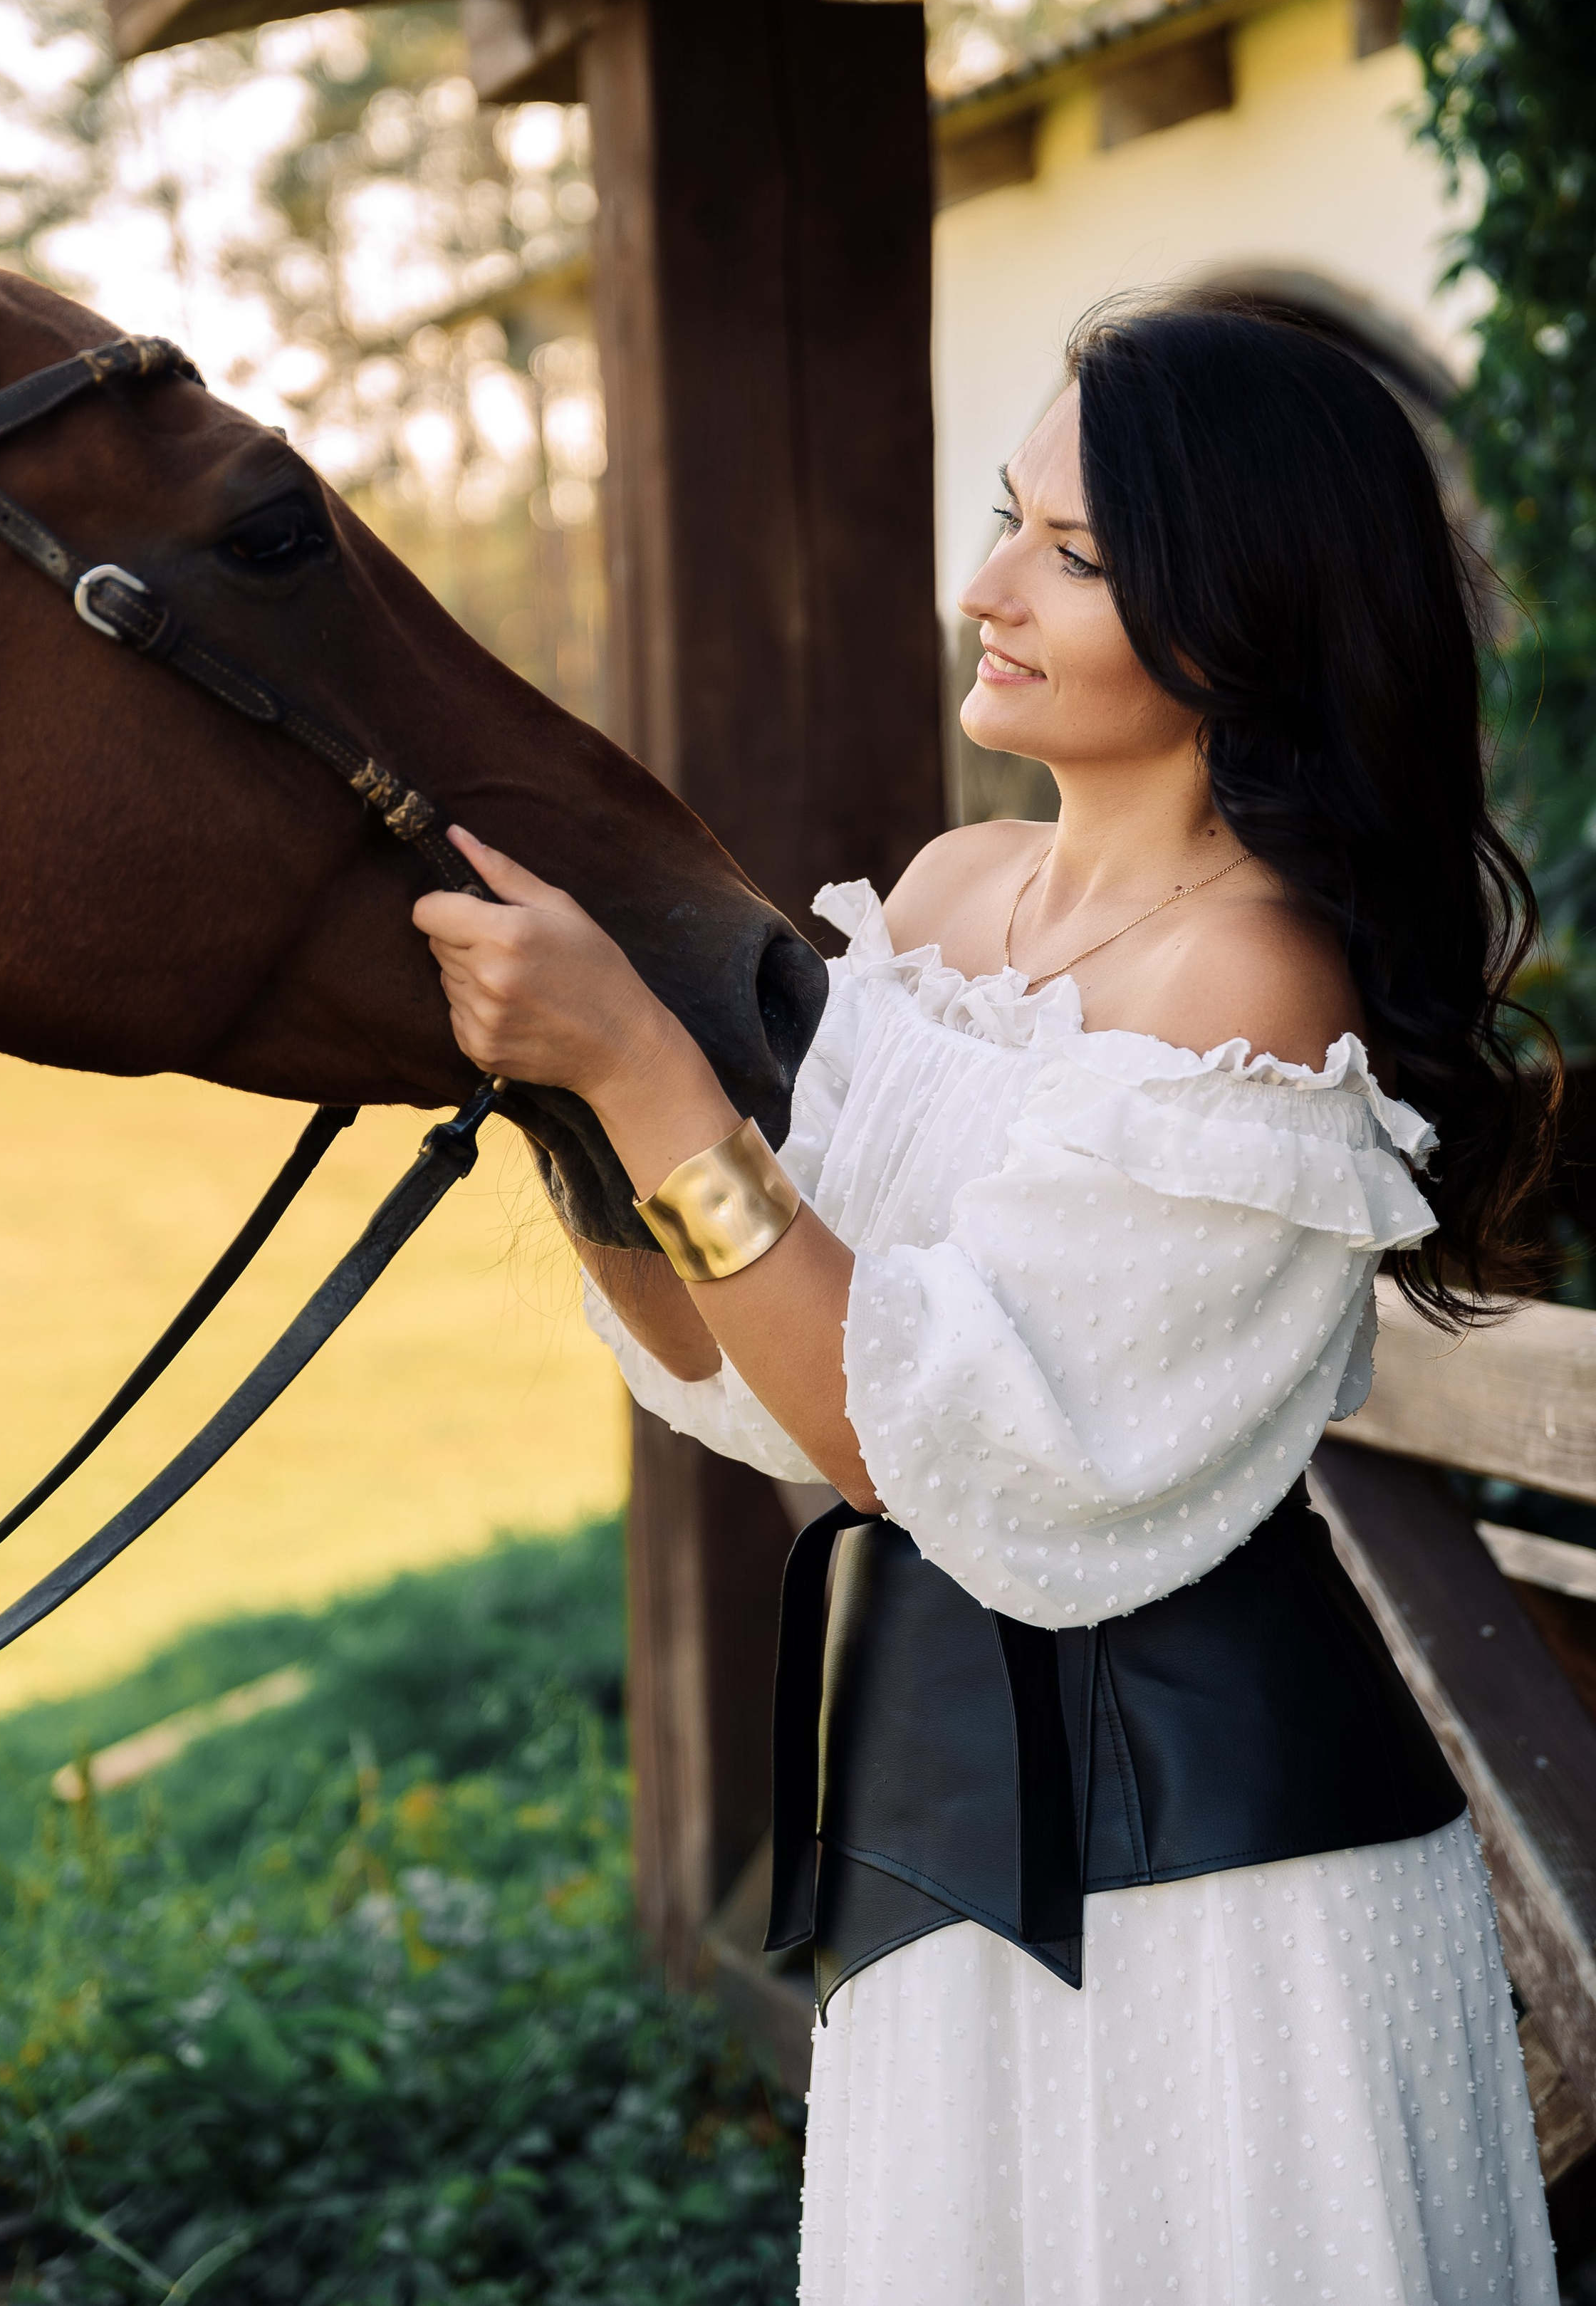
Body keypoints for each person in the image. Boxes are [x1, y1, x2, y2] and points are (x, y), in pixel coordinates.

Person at [412, 298, 1560, 2302]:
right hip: (936, 1822)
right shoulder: (942, 904)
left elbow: (916, 1428)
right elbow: (748, 1376)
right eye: (1008, 518)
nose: (986, 587)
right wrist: (570, 1112)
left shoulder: (1254, 983)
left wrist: (649, 1078)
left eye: (1076, 555)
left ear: (1248, 616)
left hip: (1222, 1897)